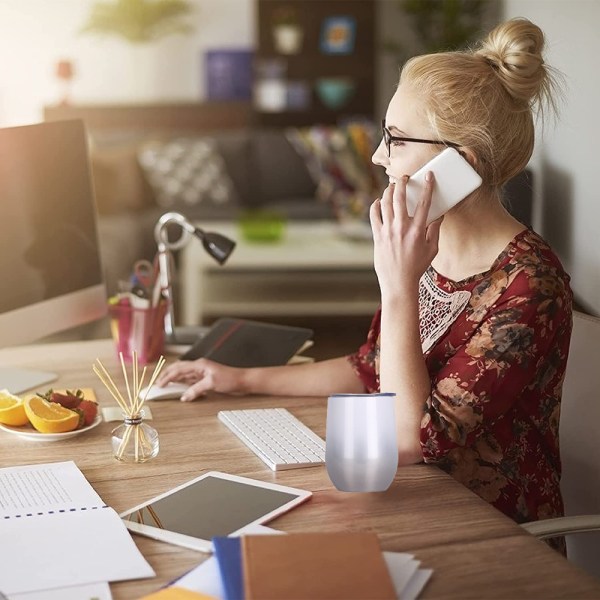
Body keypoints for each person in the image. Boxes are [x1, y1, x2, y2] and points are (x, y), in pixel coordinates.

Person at [157, 18, 572, 535]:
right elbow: (370, 368)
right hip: (406, 502)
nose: (378, 156)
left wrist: (398, 286)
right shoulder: (426, 246)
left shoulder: (530, 284)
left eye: (395, 140)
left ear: (458, 164)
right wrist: (241, 380)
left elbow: (408, 439)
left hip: (485, 532)